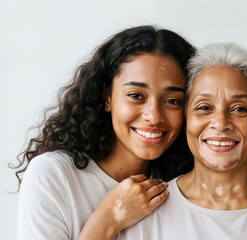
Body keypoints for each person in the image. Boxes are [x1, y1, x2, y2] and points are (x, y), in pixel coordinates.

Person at [13, 25, 195, 240]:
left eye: (172, 101)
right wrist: (108, 220)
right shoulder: (53, 175)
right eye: (136, 95)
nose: (154, 117)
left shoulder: (181, 187)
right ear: (107, 97)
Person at [118, 43, 247, 239]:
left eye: (239, 109)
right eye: (204, 108)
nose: (221, 123)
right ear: (185, 122)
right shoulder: (145, 212)